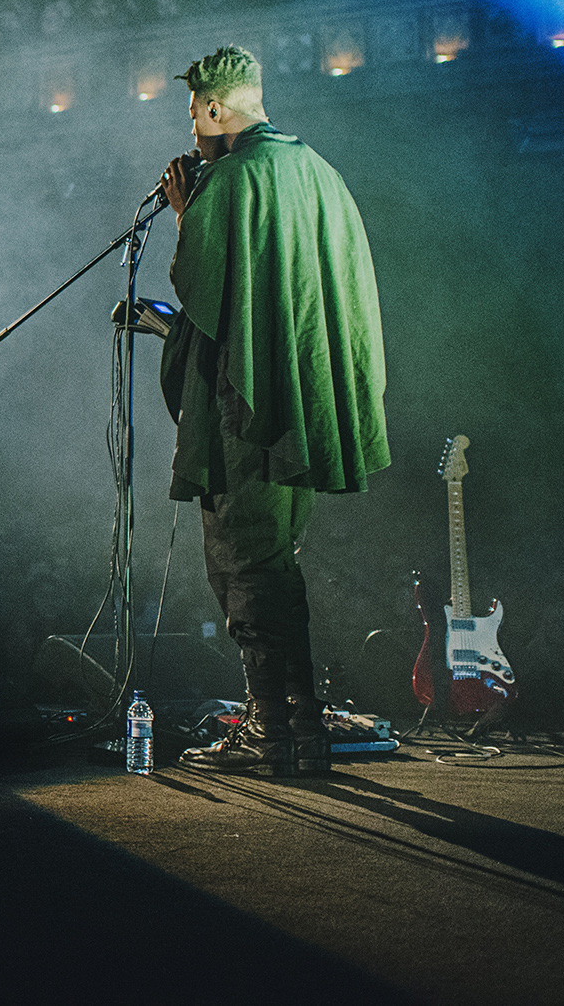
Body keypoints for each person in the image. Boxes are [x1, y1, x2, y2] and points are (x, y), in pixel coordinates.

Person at [160, 45, 388, 777]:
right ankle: (299, 725)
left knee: (241, 561)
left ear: (217, 109)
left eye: (194, 111)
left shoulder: (229, 181)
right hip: (299, 403)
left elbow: (204, 284)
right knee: (275, 561)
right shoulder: (319, 173)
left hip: (245, 411)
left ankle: (268, 725)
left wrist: (183, 215)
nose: (191, 126)